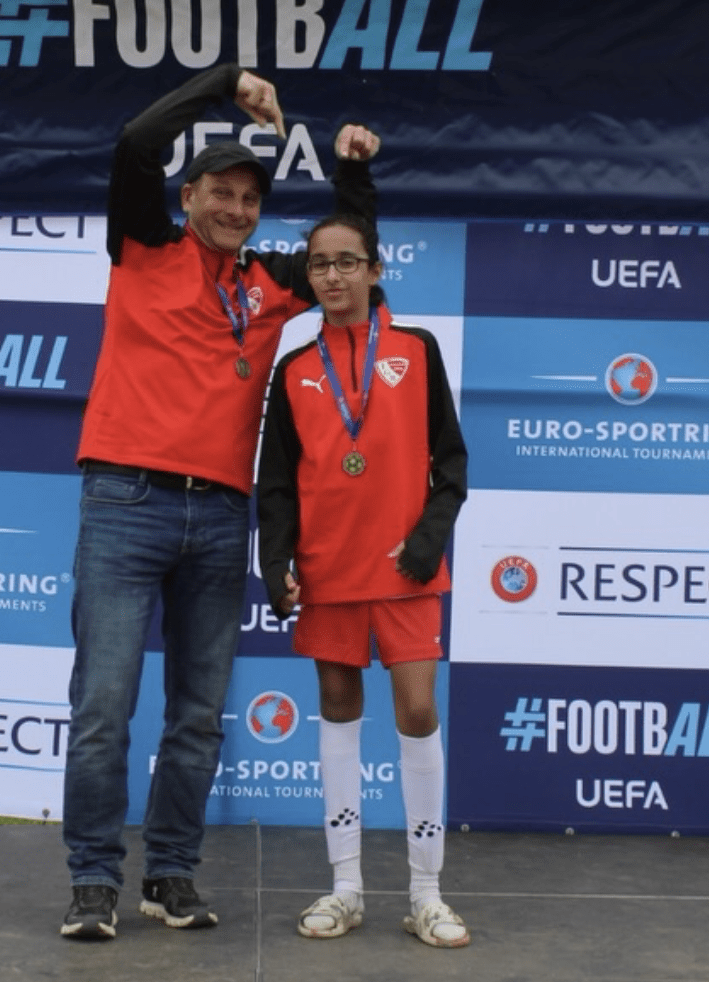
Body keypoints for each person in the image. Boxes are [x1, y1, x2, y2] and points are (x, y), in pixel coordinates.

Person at [61, 60, 381, 940]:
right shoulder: (141, 244)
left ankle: (170, 873)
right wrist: (224, 83)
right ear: (189, 195)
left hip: (219, 514)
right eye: (222, 193)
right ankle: (92, 881)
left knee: (198, 717)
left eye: (249, 199)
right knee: (103, 709)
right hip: (124, 500)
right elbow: (136, 143)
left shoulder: (268, 284)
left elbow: (350, 256)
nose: (237, 209)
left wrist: (352, 171)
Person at [256, 209, 471, 948]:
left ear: (375, 271)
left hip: (407, 570)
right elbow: (277, 484)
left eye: (348, 261)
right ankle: (345, 886)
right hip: (328, 572)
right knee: (338, 713)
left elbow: (452, 463)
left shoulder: (416, 349)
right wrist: (275, 561)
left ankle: (426, 893)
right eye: (320, 263)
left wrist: (429, 539)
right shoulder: (293, 368)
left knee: (417, 710)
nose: (333, 275)